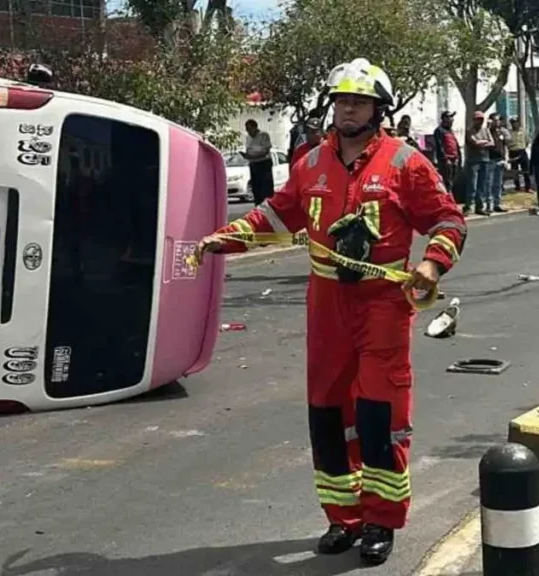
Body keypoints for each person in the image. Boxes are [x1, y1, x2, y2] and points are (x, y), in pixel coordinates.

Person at [195, 58, 467, 566]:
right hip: (326, 304)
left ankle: (382, 519)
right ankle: (343, 518)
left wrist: (432, 265)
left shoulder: (406, 163)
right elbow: (275, 216)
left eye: (358, 101)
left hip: (382, 305)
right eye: (341, 100)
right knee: (326, 412)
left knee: (379, 414)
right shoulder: (310, 163)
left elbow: (449, 219)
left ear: (378, 109)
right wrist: (222, 240)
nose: (347, 109)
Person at [464, 111, 493, 215]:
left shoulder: (485, 130)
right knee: (472, 184)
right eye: (477, 119)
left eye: (481, 119)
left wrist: (482, 142)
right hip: (473, 161)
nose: (479, 121)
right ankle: (468, 206)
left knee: (482, 184)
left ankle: (479, 207)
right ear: (474, 120)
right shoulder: (469, 131)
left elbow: (492, 142)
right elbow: (474, 142)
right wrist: (485, 142)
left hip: (485, 159)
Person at [243, 119, 274, 205]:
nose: (248, 132)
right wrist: (247, 155)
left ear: (255, 127)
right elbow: (248, 149)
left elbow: (265, 151)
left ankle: (268, 206)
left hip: (264, 163)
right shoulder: (248, 137)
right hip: (253, 164)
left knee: (265, 189)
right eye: (247, 130)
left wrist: (253, 156)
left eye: (250, 129)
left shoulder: (263, 135)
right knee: (256, 188)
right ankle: (258, 205)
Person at [486, 113, 509, 213]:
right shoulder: (487, 131)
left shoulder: (501, 132)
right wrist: (488, 126)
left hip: (500, 160)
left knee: (498, 184)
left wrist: (506, 159)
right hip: (490, 160)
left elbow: (505, 146)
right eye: (495, 120)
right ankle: (488, 205)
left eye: (498, 120)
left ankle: (497, 204)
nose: (497, 122)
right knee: (489, 183)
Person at [432, 111, 460, 192]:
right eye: (450, 117)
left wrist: (458, 157)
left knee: (452, 181)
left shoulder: (450, 131)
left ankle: (450, 197)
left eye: (452, 117)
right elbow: (439, 146)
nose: (452, 119)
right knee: (446, 181)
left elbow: (455, 145)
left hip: (454, 159)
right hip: (446, 161)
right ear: (444, 118)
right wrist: (445, 159)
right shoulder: (439, 130)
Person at [508, 117, 532, 192]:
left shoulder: (523, 131)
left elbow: (527, 141)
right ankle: (517, 187)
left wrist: (523, 147)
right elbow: (506, 142)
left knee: (526, 170)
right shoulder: (509, 132)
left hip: (522, 151)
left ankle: (528, 187)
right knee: (515, 171)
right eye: (512, 123)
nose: (514, 124)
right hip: (513, 152)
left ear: (518, 123)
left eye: (515, 122)